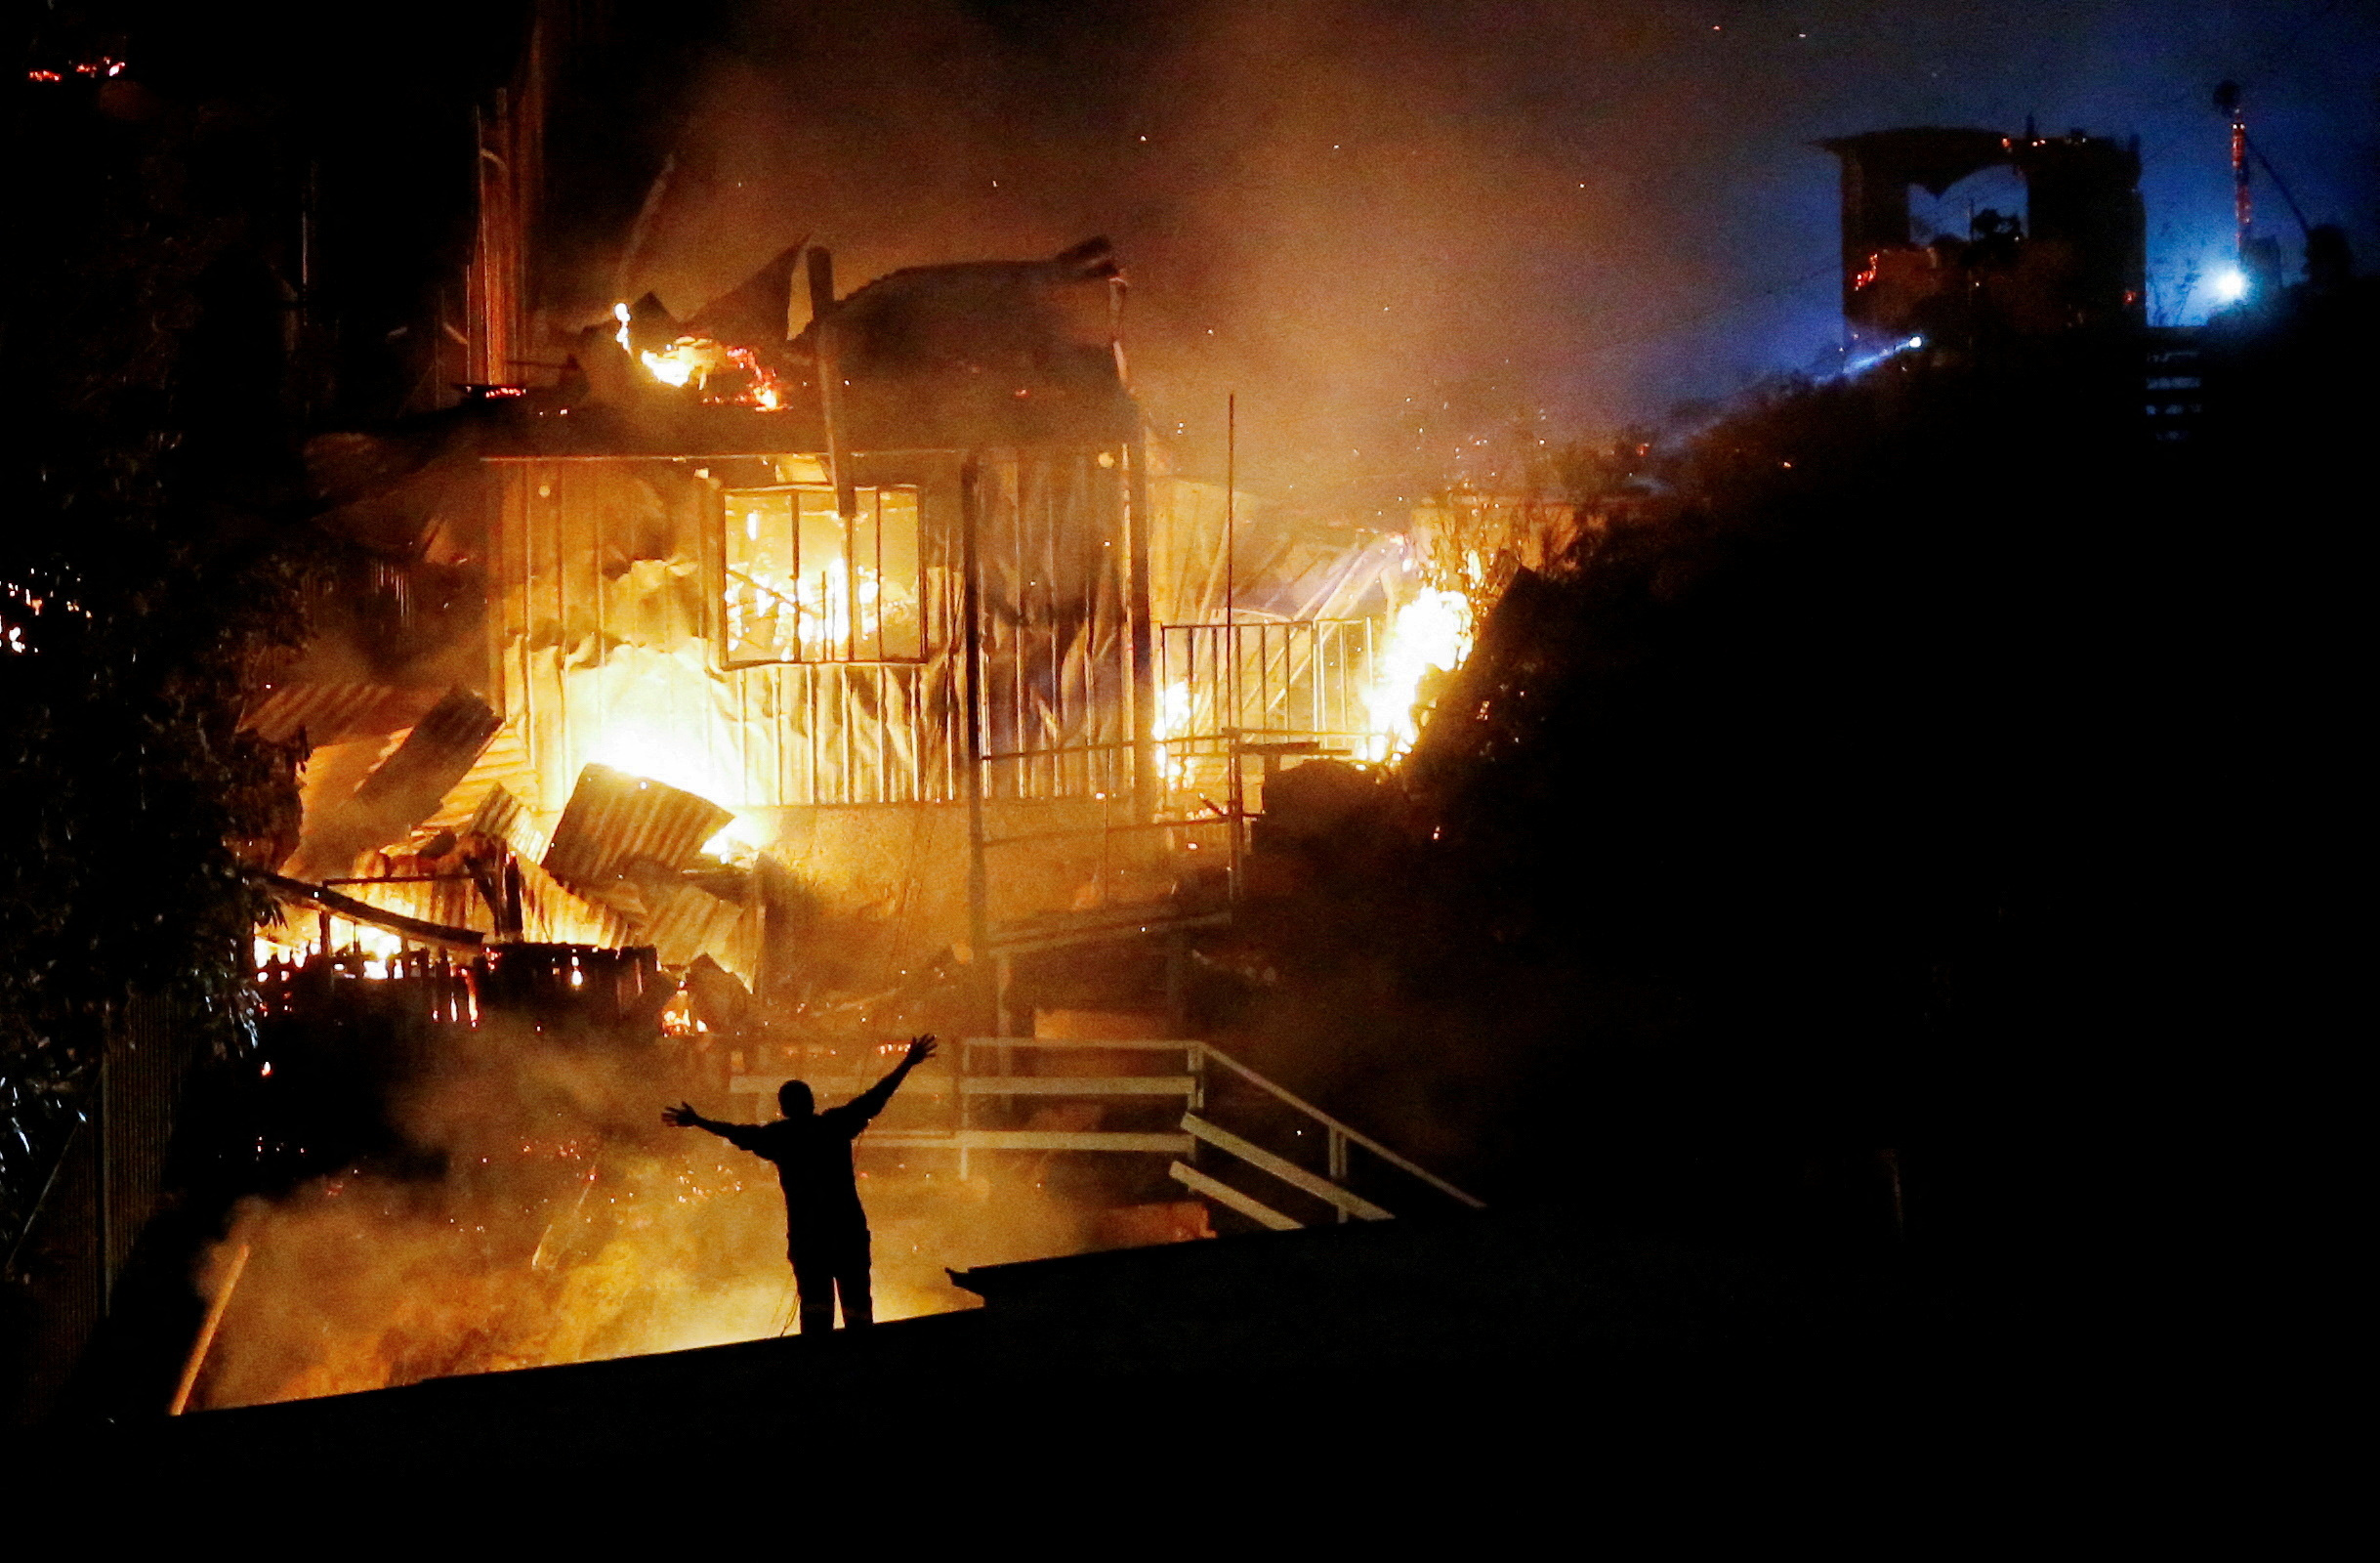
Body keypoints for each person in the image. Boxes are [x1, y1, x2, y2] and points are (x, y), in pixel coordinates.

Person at [664, 1035, 938, 1334]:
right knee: (858, 1313)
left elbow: (736, 1133)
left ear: (783, 1108)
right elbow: (876, 1097)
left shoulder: (780, 1137)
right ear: (812, 1102)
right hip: (847, 1235)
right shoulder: (835, 1125)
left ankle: (816, 1370)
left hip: (809, 1241)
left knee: (816, 1316)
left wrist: (698, 1120)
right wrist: (908, 1062)